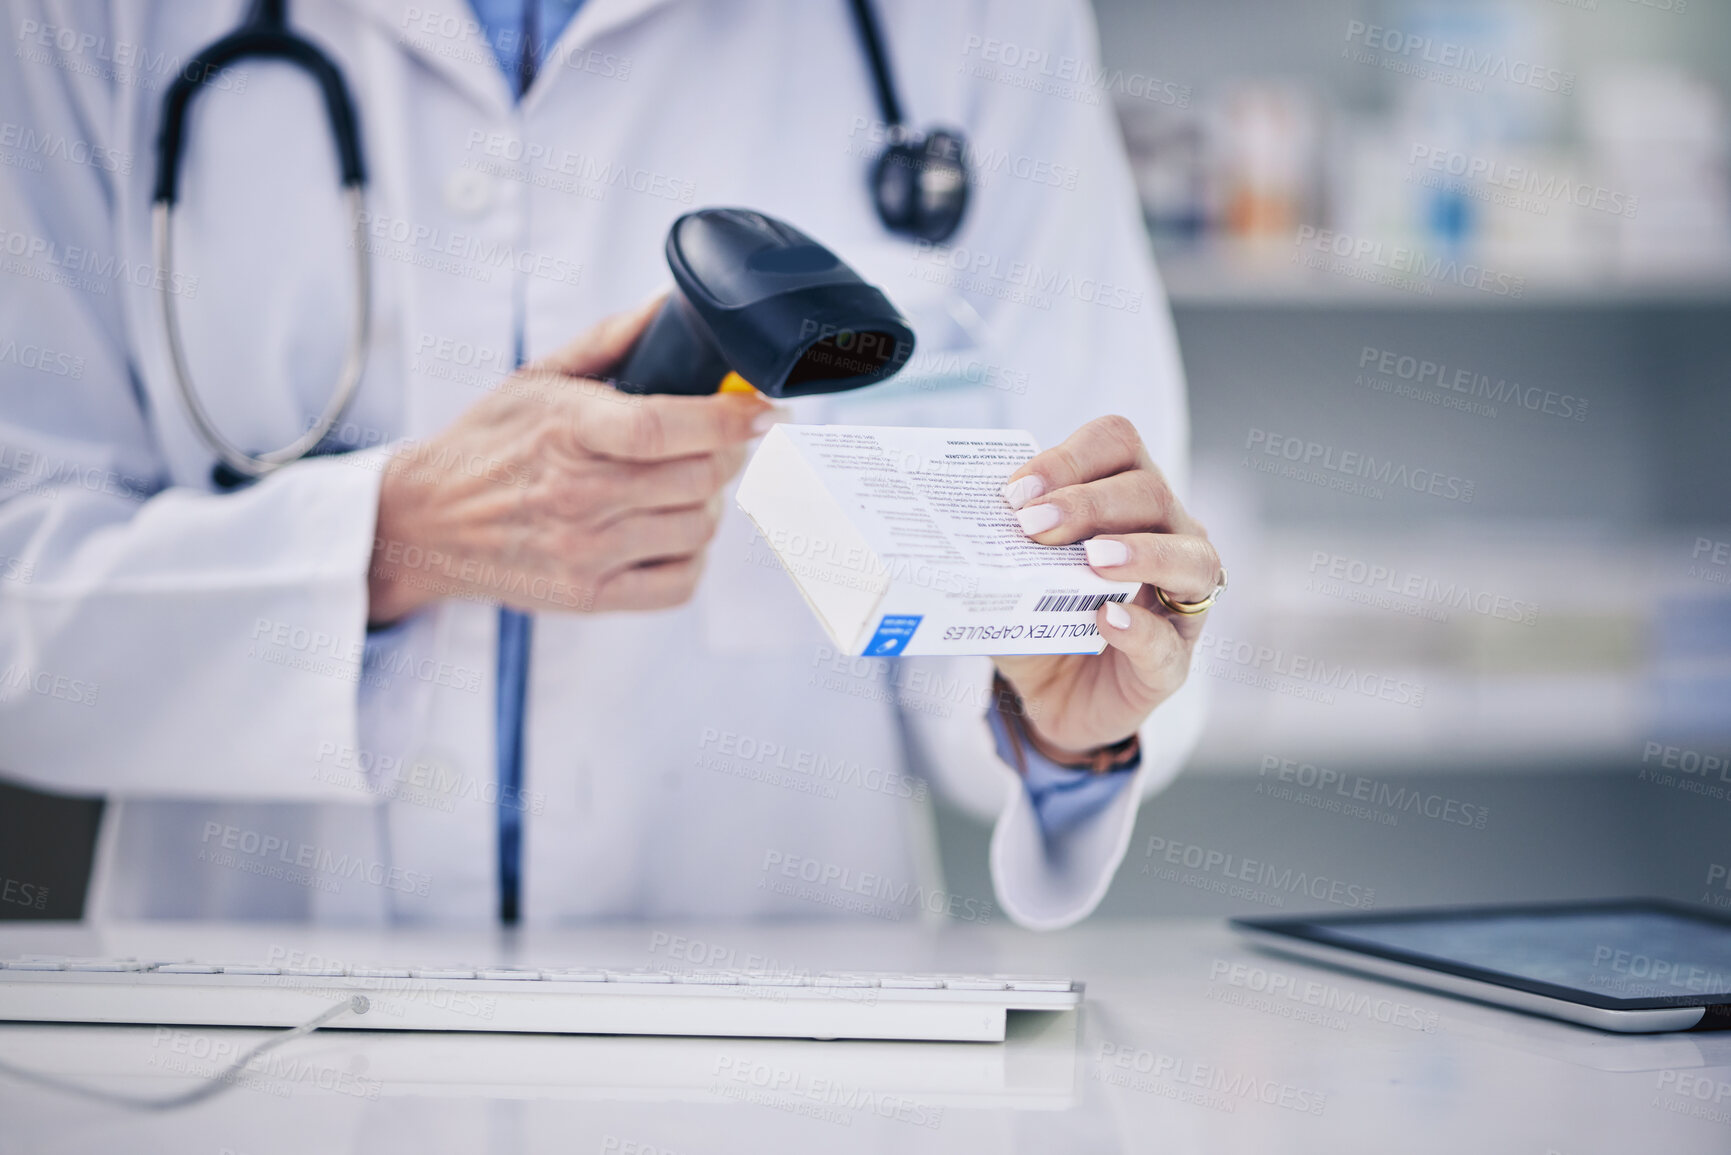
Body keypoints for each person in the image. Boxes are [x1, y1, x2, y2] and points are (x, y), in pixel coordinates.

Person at [0, 0, 1219, 929]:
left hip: (776, 1041)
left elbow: (1108, 534)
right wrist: (383, 539)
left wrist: (1062, 714)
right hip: (247, 1041)